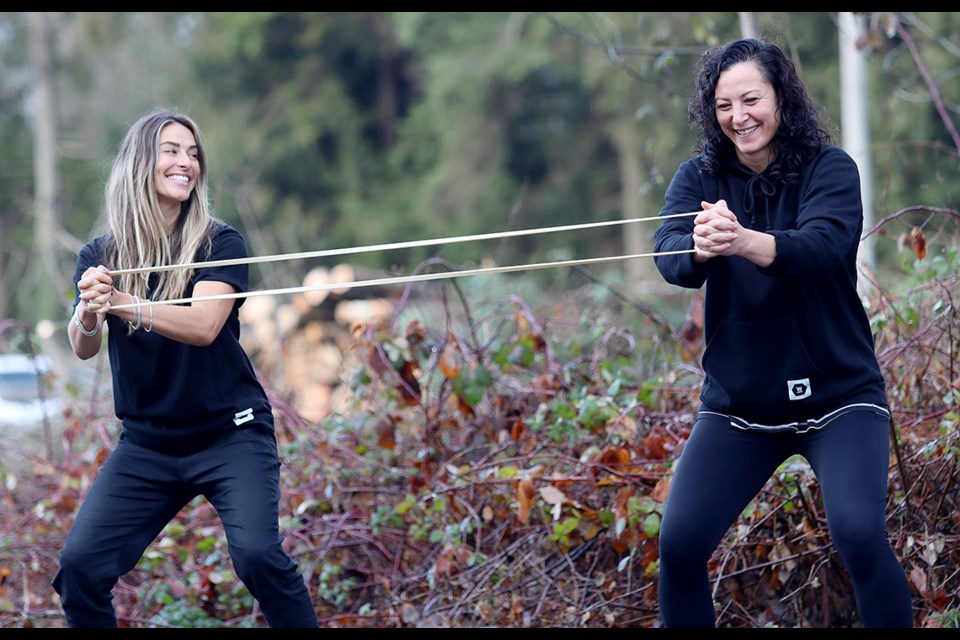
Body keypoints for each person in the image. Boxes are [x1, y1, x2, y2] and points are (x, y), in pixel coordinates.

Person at [652, 37, 913, 628]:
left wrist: (740, 239)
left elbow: (822, 248)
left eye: (751, 99)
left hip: (839, 398)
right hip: (741, 405)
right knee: (679, 545)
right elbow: (668, 255)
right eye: (723, 105)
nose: (738, 117)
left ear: (780, 99)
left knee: (861, 535)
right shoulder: (698, 178)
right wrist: (698, 247)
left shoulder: (831, 169)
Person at [53, 107, 319, 628]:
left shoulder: (221, 243)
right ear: (139, 164)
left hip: (230, 435)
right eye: (171, 151)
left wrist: (120, 302)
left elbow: (203, 326)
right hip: (148, 445)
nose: (186, 163)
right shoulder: (100, 254)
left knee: (259, 558)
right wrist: (88, 310)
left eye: (193, 153)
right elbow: (84, 346)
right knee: (80, 567)